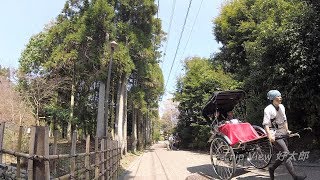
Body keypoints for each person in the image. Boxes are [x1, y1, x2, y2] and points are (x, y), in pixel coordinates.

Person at [262, 90, 306, 180]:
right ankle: (295, 177)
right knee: (286, 153)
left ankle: (271, 169)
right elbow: (266, 124)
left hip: (282, 132)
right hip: (274, 133)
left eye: (280, 96)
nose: (280, 97)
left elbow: (285, 120)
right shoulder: (268, 109)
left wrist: (287, 131)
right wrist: (269, 136)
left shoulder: (282, 107)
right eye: (278, 96)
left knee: (283, 155)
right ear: (273, 98)